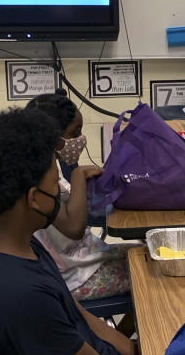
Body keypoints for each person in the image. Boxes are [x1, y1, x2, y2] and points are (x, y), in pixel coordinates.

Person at [0, 109, 141, 355]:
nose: (59, 190)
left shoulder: (17, 244)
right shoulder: (20, 294)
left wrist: (135, 351)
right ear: (34, 198)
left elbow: (77, 314)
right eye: (55, 183)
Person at [25, 91, 132, 300]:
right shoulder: (38, 179)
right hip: (72, 278)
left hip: (81, 260)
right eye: (75, 133)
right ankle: (123, 332)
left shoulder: (46, 165)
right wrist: (78, 176)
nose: (79, 139)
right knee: (148, 273)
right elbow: (74, 228)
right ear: (52, 136)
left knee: (146, 252)